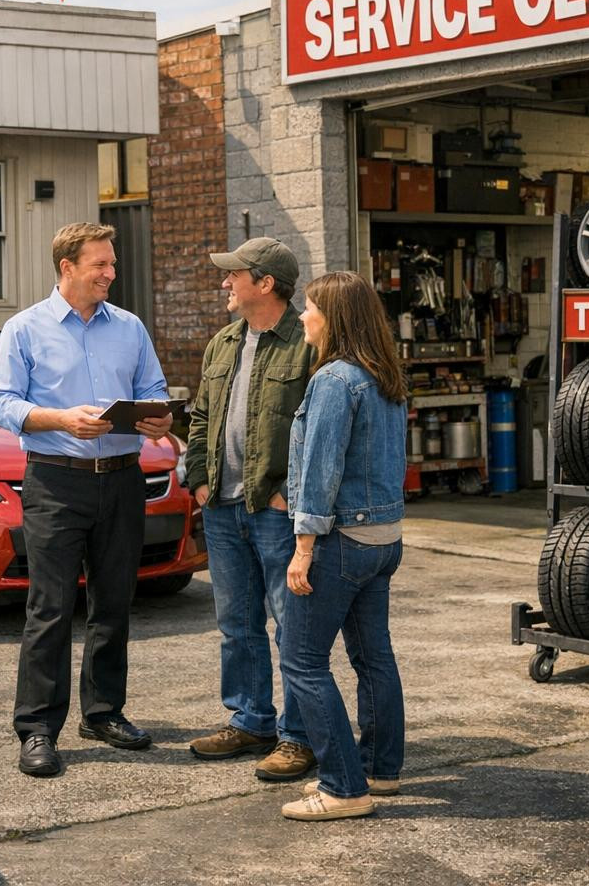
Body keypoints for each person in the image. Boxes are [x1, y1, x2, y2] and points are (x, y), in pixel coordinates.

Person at [0, 222, 174, 778]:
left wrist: (157, 417)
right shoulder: (24, 328)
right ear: (67, 266)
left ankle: (103, 713)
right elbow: (1, 403)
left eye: (112, 263)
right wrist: (61, 419)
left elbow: (154, 391)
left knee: (114, 602)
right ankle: (37, 729)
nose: (111, 273)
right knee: (49, 608)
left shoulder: (130, 327)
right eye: (101, 264)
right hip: (56, 481)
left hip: (122, 479)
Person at [183, 238, 316, 782]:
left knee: (292, 629)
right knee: (236, 625)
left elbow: (320, 428)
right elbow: (199, 418)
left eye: (234, 275)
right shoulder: (223, 342)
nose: (225, 282)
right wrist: (198, 481)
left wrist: (291, 494)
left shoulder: (307, 344)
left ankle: (299, 736)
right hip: (222, 506)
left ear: (265, 283)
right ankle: (251, 720)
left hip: (277, 511)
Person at [278, 271, 408, 821]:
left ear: (333, 318)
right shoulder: (384, 376)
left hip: (341, 542)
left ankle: (343, 788)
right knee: (373, 656)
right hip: (383, 539)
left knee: (302, 660)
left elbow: (320, 470)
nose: (303, 315)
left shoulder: (334, 380)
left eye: (310, 307)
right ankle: (379, 770)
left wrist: (303, 547)